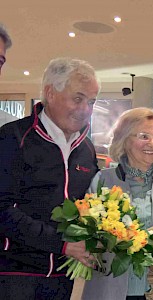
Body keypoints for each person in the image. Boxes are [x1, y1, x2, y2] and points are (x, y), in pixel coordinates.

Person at [0, 57, 100, 299]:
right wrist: (62, 244)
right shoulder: (12, 138)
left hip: (67, 279)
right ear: (50, 93)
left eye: (91, 101)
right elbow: (2, 209)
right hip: (15, 276)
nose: (85, 109)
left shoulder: (86, 148)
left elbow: (96, 204)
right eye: (78, 98)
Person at [82, 107, 153, 300]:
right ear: (125, 140)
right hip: (110, 290)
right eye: (144, 136)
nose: (152, 143)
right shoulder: (102, 181)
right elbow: (87, 236)